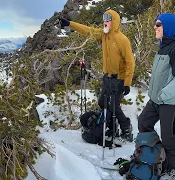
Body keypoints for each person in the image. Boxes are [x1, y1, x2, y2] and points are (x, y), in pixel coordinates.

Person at [59, 10, 135, 142]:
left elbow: (130, 62)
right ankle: (112, 128)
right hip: (108, 78)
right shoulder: (103, 35)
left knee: (114, 107)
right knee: (102, 103)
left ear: (115, 21)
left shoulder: (122, 39)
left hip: (119, 79)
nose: (105, 22)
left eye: (108, 20)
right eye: (104, 20)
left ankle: (126, 129)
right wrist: (70, 24)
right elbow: (87, 30)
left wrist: (127, 83)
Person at [137, 13, 175, 177]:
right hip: (156, 100)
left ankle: (171, 169)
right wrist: (156, 94)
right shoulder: (163, 45)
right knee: (144, 123)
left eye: (158, 24)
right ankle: (156, 155)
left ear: (168, 27)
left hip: (169, 102)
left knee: (169, 139)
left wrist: (164, 94)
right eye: (155, 23)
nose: (154, 27)